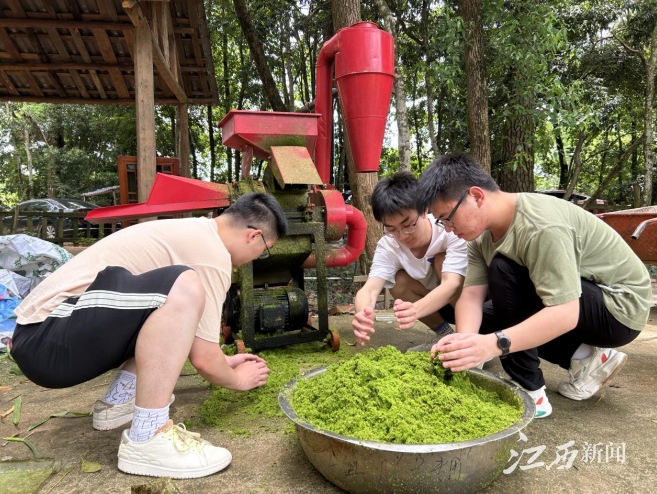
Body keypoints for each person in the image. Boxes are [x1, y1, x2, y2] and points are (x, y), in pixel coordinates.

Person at [11, 192, 288, 478]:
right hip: (48, 337)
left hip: (43, 337)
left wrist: (223, 361)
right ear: (254, 236)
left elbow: (181, 337)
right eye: (264, 251)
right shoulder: (212, 254)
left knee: (165, 301)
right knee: (184, 286)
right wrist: (238, 380)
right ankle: (148, 437)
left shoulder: (196, 232)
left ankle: (119, 402)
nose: (256, 258)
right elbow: (204, 360)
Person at [419, 153, 651, 418]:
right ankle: (586, 358)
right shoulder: (480, 237)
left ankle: (530, 391)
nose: (448, 229)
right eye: (441, 222)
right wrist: (465, 343)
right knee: (486, 318)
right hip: (582, 300)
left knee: (503, 270)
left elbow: (565, 312)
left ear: (476, 196)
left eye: (448, 218)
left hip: (619, 309)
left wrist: (492, 345)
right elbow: (471, 295)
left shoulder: (539, 225)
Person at [352, 171, 468, 352]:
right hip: (432, 305)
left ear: (424, 210)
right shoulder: (389, 246)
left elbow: (452, 284)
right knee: (396, 282)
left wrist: (415, 309)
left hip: (469, 303)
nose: (402, 236)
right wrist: (362, 313)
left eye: (408, 225)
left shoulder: (448, 229)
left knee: (441, 260)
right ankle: (445, 336)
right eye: (392, 229)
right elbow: (370, 289)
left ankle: (468, 338)